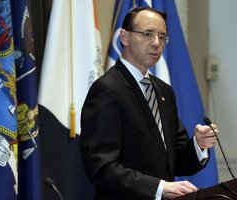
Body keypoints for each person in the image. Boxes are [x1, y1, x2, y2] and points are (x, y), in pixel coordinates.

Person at [80, 7, 218, 200]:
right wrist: (160, 188)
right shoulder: (107, 90)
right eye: (148, 34)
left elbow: (175, 161)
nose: (156, 43)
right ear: (125, 38)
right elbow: (102, 168)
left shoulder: (164, 92)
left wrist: (198, 145)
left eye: (162, 37)